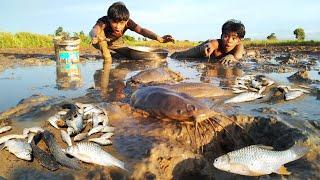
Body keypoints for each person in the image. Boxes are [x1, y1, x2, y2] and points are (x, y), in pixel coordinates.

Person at [90, 1, 174, 63]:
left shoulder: (128, 22)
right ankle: (107, 57)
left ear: (126, 21)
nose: (118, 26)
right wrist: (94, 36)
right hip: (101, 40)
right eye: (114, 22)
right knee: (106, 53)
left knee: (131, 55)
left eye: (121, 23)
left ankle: (111, 55)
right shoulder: (104, 21)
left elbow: (141, 30)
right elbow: (95, 29)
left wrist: (159, 38)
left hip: (115, 42)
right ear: (109, 19)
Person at [171, 19, 245, 65]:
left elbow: (238, 56)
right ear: (221, 36)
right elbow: (213, 44)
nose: (229, 40)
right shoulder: (217, 43)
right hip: (204, 48)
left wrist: (231, 56)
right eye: (226, 36)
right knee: (183, 55)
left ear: (239, 40)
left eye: (233, 38)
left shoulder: (239, 46)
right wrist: (209, 46)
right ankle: (173, 54)